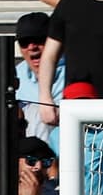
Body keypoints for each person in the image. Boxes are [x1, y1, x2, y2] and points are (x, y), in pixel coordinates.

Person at [12, 12, 65, 147]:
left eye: (39, 40)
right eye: (24, 42)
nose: (31, 47)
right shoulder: (17, 73)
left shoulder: (75, 70)